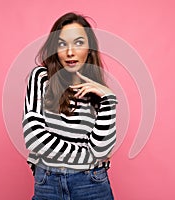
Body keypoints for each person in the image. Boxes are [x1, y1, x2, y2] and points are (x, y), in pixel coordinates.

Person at [22, 12, 117, 200]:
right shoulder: (42, 77)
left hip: (91, 183)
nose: (70, 52)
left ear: (89, 49)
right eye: (62, 43)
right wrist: (87, 157)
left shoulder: (98, 92)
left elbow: (102, 151)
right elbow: (33, 137)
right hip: (48, 183)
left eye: (79, 43)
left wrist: (109, 100)